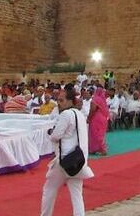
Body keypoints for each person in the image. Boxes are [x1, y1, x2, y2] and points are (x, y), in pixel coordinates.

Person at [40, 88, 93, 216]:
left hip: (64, 161)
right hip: (79, 160)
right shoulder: (79, 114)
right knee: (77, 195)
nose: (59, 103)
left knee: (49, 189)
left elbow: (55, 136)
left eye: (61, 100)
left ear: (70, 101)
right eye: (58, 100)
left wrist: (51, 133)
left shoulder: (66, 115)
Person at [87, 87, 108, 155]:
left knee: (95, 134)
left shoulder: (95, 99)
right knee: (100, 133)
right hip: (103, 118)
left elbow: (93, 109)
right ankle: (94, 149)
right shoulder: (103, 99)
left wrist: (89, 117)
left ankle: (102, 149)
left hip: (96, 118)